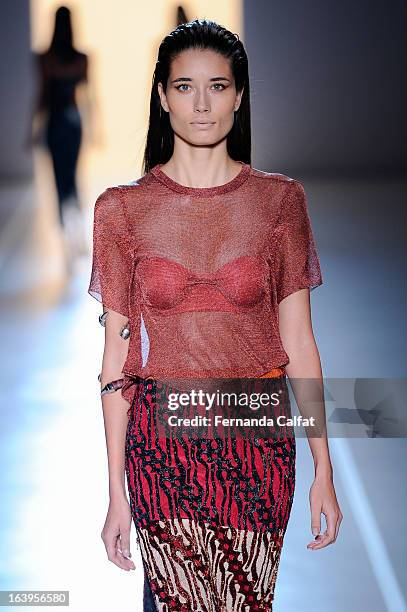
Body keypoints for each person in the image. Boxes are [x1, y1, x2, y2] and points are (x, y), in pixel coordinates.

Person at [88, 19, 343, 611]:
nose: (202, 104)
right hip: (162, 445)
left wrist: (322, 470)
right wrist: (116, 493)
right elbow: (116, 363)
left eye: (218, 86)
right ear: (161, 96)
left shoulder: (280, 202)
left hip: (255, 439)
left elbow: (300, 345)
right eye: (184, 87)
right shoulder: (122, 211)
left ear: (240, 95)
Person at [29, 5, 89, 269]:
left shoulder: (46, 58)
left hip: (55, 123)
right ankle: (77, 237)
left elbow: (42, 95)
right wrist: (95, 127)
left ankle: (69, 240)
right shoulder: (80, 57)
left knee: (59, 179)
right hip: (73, 122)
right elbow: (88, 97)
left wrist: (31, 129)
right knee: (73, 178)